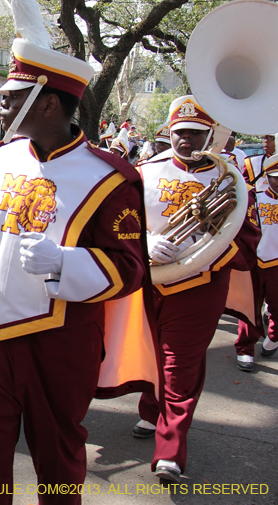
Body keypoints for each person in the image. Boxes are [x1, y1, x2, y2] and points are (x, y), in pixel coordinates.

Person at [0, 0, 157, 503]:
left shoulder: (110, 178)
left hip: (62, 337)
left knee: (58, 457)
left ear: (47, 103)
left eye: (8, 100)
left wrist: (64, 264)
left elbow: (130, 269)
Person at [133, 95, 259, 483]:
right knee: (151, 353)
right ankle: (151, 408)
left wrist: (207, 244)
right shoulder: (142, 172)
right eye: (179, 133)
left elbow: (247, 240)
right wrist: (144, 242)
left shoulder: (230, 180)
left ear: (210, 136)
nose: (185, 140)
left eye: (195, 133)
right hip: (149, 281)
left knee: (179, 363)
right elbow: (117, 224)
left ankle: (170, 449)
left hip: (202, 283)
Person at [235, 152, 278, 371]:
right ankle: (245, 348)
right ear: (267, 176)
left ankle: (273, 336)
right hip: (254, 261)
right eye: (276, 177)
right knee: (249, 306)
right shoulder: (254, 197)